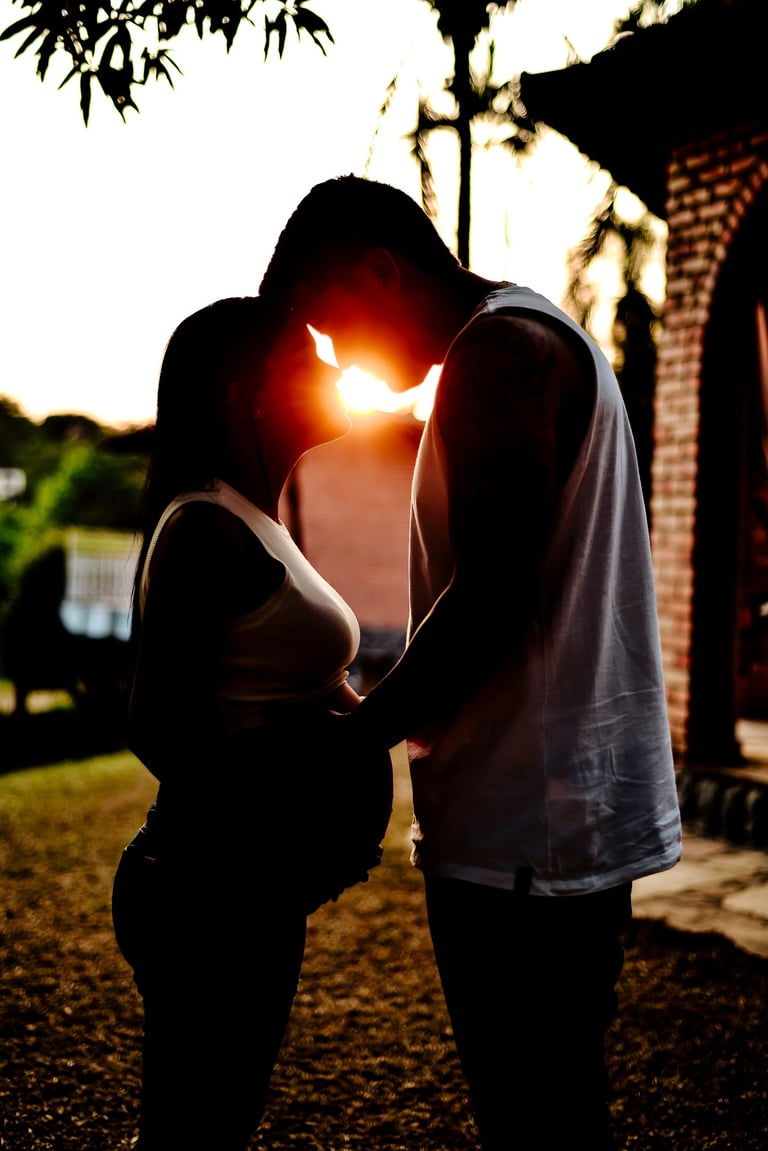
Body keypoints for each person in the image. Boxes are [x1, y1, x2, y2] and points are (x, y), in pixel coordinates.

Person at [259, 175, 682, 1151]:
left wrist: (350, 738)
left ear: (381, 270)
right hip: (544, 819)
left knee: (534, 1116)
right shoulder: (523, 339)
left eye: (332, 324)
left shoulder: (500, 354)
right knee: (552, 1107)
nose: (339, 358)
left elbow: (492, 597)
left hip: (529, 828)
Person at [111, 294, 392, 1151]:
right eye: (307, 354)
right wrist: (305, 798)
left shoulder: (251, 517)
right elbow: (157, 726)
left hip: (249, 888)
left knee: (219, 1123)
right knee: (193, 1132)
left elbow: (291, 695)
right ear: (245, 395)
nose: (334, 365)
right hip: (208, 892)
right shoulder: (207, 528)